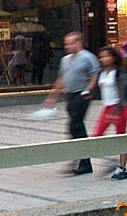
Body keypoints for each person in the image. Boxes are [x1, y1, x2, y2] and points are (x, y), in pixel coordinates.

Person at [43, 31, 101, 175]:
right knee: (76, 127)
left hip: (81, 94)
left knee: (75, 124)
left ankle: (81, 159)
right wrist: (53, 95)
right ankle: (83, 160)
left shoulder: (88, 57)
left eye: (70, 43)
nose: (67, 47)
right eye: (66, 44)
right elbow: (62, 78)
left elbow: (95, 74)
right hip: (70, 94)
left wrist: (88, 90)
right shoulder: (65, 60)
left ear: (79, 43)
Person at [92, 46, 127, 180]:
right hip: (107, 107)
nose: (103, 59)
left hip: (119, 107)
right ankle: (111, 161)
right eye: (101, 57)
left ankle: (122, 168)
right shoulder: (102, 72)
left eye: (107, 56)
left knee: (121, 137)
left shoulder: (119, 73)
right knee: (97, 136)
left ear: (114, 57)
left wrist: (116, 110)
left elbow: (122, 93)